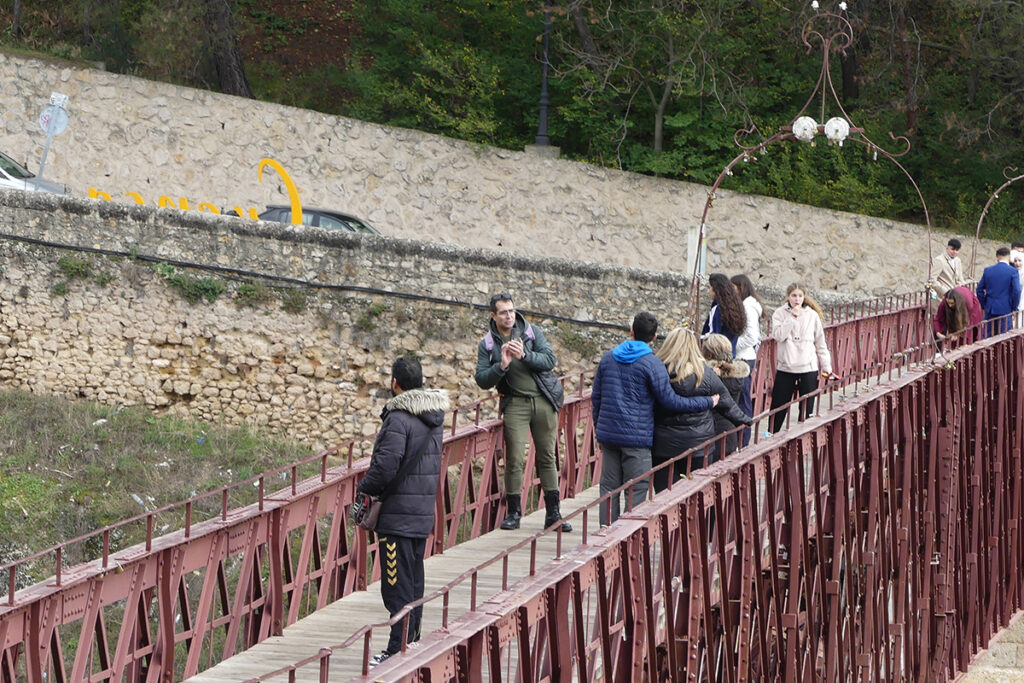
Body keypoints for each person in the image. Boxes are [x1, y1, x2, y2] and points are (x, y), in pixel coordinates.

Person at [356, 357, 449, 667]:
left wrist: (365, 488)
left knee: (395, 585)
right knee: (414, 582)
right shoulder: (433, 417)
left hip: (397, 516)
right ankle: (413, 643)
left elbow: (385, 466)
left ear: (395, 383)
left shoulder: (398, 417)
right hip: (420, 514)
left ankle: (397, 651)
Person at [592, 311, 719, 527]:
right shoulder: (652, 364)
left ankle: (604, 538)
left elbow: (596, 398)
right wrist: (707, 402)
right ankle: (628, 543)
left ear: (631, 331)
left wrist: (599, 430)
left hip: (609, 435)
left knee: (608, 490)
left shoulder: (608, 358)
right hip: (637, 439)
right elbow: (671, 401)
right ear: (654, 337)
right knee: (638, 489)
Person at [475, 293, 570, 533]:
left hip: (542, 400)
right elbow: (482, 379)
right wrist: (502, 365)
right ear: (493, 315)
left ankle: (553, 513)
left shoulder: (530, 331)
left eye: (511, 311)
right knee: (515, 458)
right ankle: (514, 513)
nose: (509, 316)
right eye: (504, 312)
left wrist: (525, 355)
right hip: (515, 403)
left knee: (548, 456)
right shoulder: (487, 343)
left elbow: (549, 360)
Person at [651, 329, 750, 492]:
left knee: (664, 495)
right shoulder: (705, 373)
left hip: (663, 445)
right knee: (701, 494)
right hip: (698, 444)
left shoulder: (657, 371)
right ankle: (705, 518)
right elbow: (727, 404)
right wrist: (746, 420)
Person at [768, 283, 833, 433]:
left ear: (804, 297)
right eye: (793, 295)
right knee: (778, 407)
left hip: (808, 366)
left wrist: (827, 366)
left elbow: (820, 343)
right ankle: (770, 436)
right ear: (788, 297)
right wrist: (791, 318)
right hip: (786, 366)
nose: (797, 299)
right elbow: (778, 336)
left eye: (800, 296)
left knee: (806, 409)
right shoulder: (779, 313)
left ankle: (803, 437)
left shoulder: (812, 315)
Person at [702, 333, 753, 456]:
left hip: (710, 433)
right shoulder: (737, 375)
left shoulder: (708, 376)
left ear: (708, 355)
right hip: (729, 432)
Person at [730, 273, 763, 446]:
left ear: (740, 288)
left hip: (743, 357)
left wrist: (731, 346)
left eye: (733, 287)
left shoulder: (747, 307)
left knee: (742, 400)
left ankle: (743, 440)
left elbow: (751, 336)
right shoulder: (747, 305)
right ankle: (741, 439)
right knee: (742, 399)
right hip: (745, 356)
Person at [976, 247, 1022, 336]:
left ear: (997, 257)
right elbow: (1017, 291)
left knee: (987, 336)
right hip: (1005, 308)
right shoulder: (1013, 271)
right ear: (1009, 258)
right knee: (1004, 337)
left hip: (990, 308)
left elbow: (979, 290)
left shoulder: (988, 270)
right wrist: (1014, 306)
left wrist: (984, 304)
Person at [700, 272, 746, 356]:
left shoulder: (717, 309)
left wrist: (696, 337)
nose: (708, 291)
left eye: (709, 287)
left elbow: (712, 336)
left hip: (716, 358)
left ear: (716, 289)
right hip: (730, 355)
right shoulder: (736, 308)